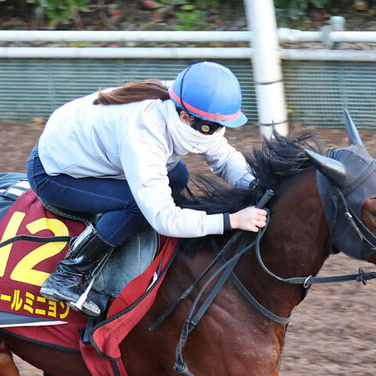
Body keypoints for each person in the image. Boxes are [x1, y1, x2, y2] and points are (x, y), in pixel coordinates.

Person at [27, 60, 269, 317]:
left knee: (178, 175)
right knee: (138, 206)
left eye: (223, 126)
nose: (218, 133)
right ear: (185, 117)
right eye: (212, 127)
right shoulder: (144, 134)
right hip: (53, 174)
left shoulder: (184, 106)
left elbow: (223, 157)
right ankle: (69, 273)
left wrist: (257, 185)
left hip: (89, 154)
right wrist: (231, 220)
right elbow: (162, 218)